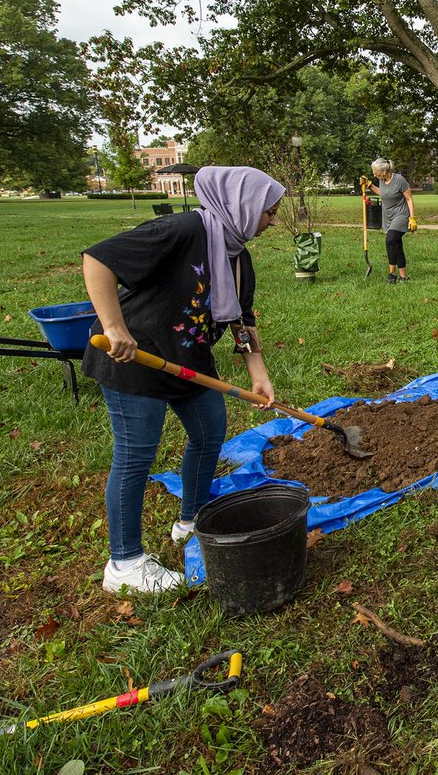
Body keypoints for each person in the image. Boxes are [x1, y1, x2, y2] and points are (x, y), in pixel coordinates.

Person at [82, 166, 284, 594]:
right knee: (136, 456)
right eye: (270, 211)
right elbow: (98, 259)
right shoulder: (182, 230)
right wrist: (114, 326)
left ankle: (191, 519)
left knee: (210, 434)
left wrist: (259, 375)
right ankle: (125, 564)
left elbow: (242, 323)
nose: (273, 219)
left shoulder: (238, 256)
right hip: (137, 360)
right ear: (244, 205)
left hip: (190, 361)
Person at [361, 158, 416, 283]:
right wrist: (370, 185)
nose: (374, 174)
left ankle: (392, 273)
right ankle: (404, 276)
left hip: (401, 215)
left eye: (375, 172)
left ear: (384, 171)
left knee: (390, 240)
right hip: (388, 217)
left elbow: (409, 199)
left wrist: (412, 218)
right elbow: (383, 193)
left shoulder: (399, 180)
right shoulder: (381, 180)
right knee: (396, 244)